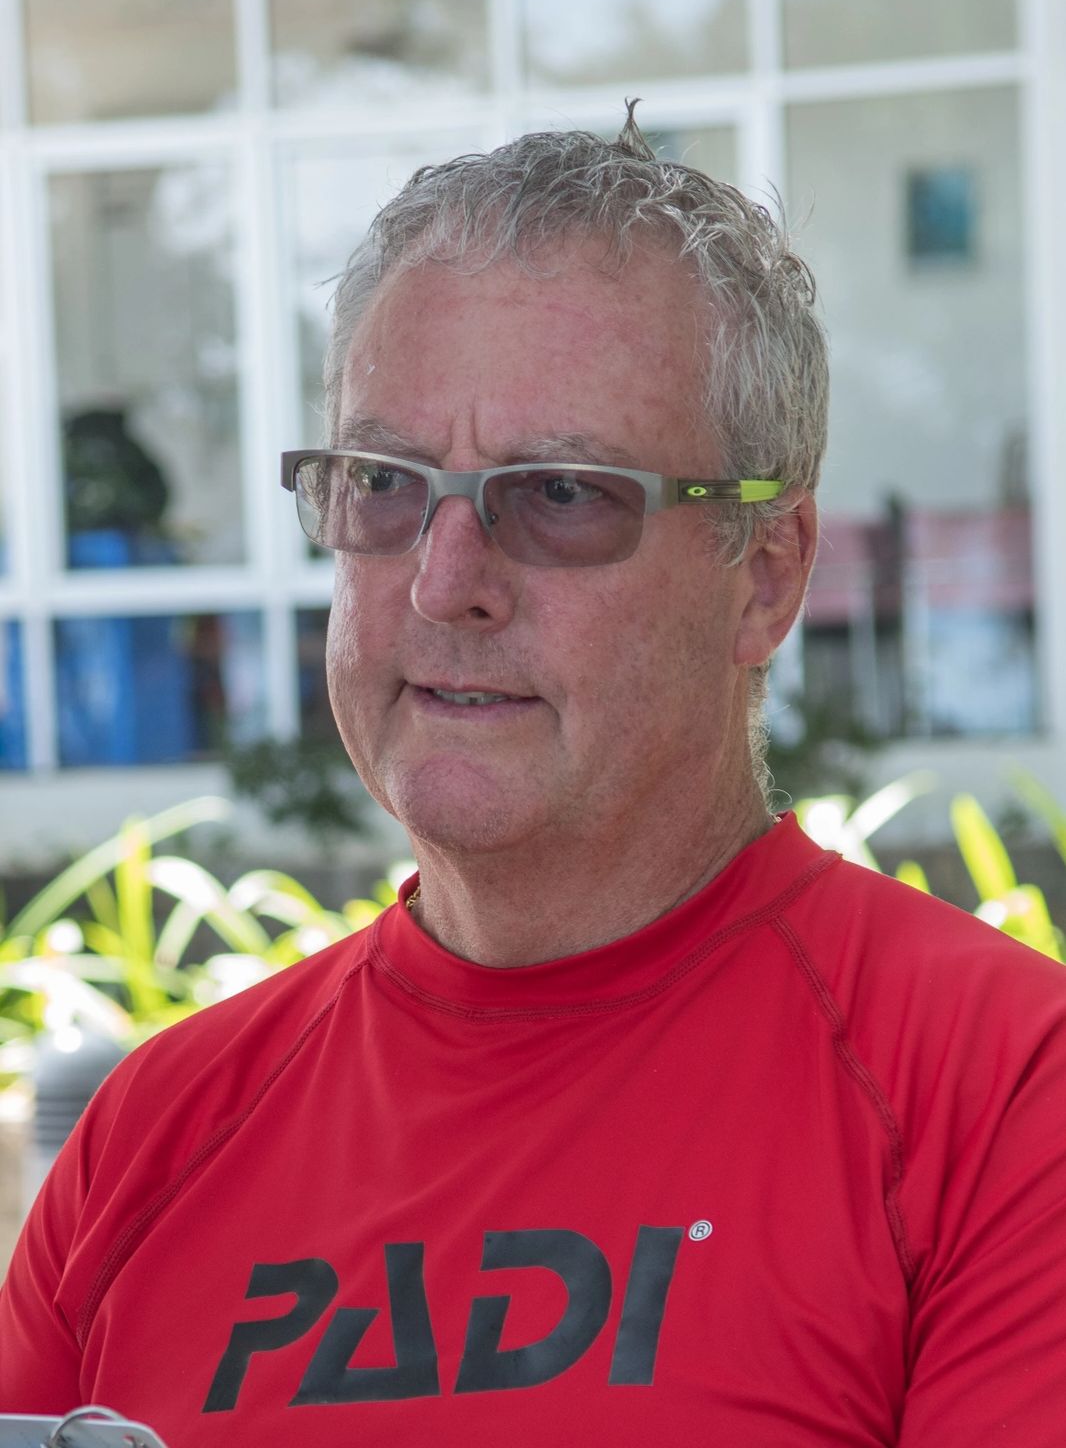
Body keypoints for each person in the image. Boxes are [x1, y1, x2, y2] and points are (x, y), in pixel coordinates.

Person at [3, 112, 1066, 1446]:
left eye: (560, 494)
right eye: (383, 484)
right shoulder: (152, 1135)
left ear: (769, 571)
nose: (446, 583)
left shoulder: (1006, 1095)